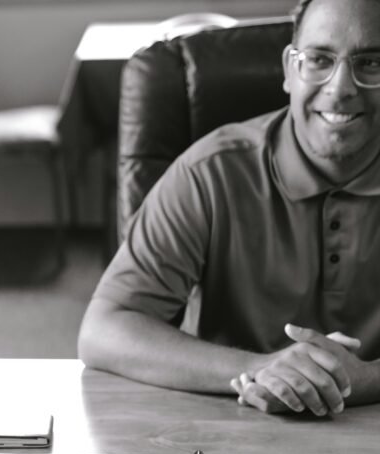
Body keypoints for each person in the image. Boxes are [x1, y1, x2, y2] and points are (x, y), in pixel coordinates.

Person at [78, 0, 380, 416]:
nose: (342, 87)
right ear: (290, 70)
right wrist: (260, 368)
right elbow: (105, 329)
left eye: (372, 63)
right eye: (319, 59)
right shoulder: (208, 172)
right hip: (230, 425)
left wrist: (363, 380)